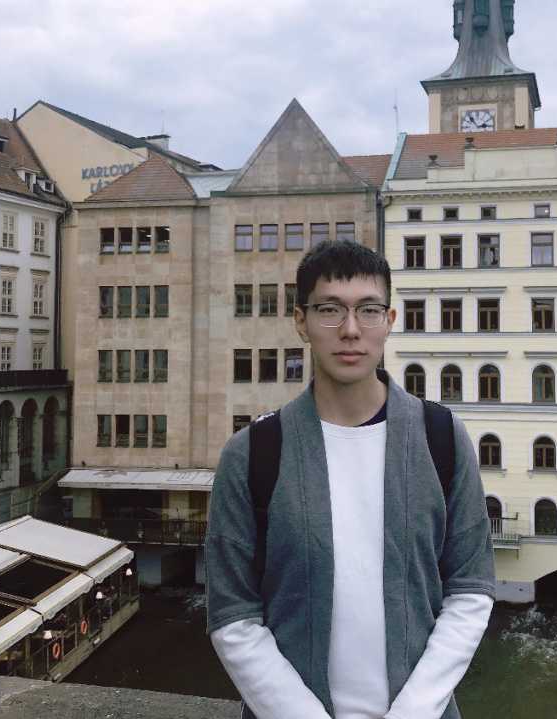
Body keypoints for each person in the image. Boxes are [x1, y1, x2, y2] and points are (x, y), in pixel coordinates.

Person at [206, 241, 495, 719]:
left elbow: (470, 587)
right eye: (329, 310)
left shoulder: (441, 437)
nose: (351, 330)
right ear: (301, 322)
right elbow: (233, 612)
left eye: (369, 310)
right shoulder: (252, 453)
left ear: (389, 320)